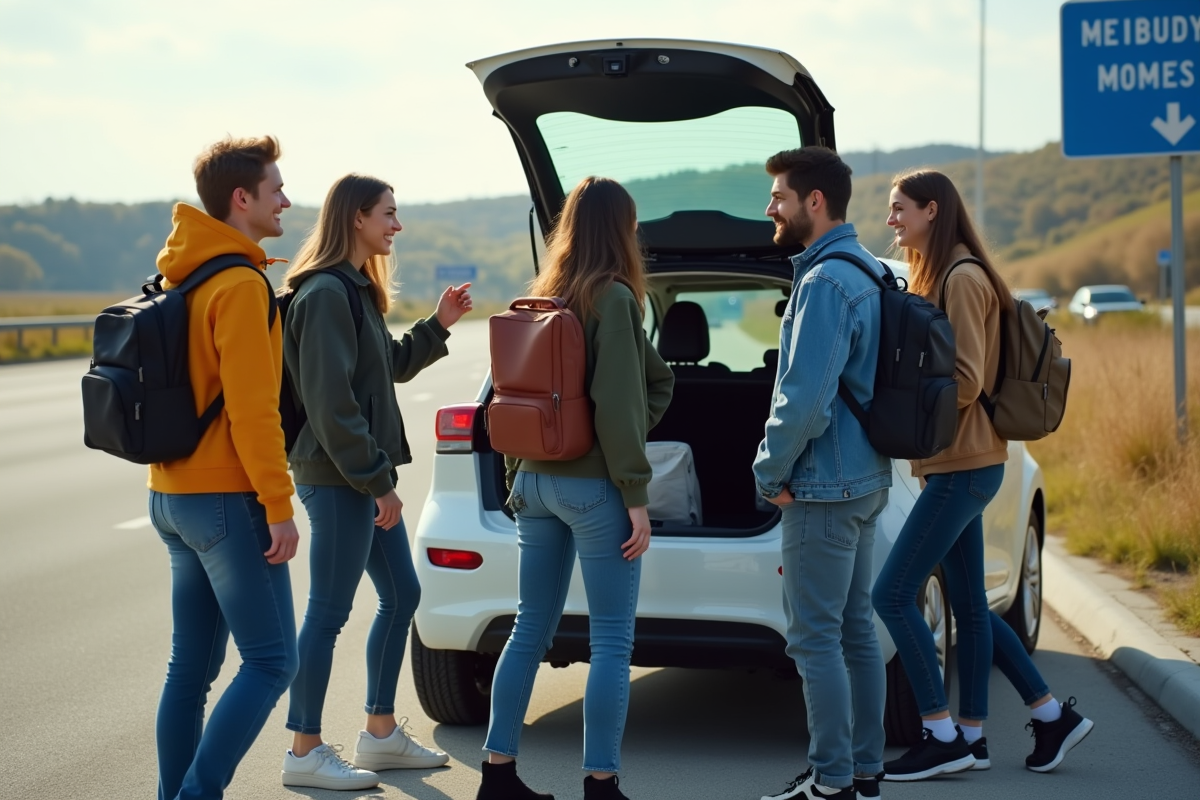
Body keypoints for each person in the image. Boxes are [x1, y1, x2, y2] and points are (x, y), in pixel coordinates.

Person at [872, 169, 1093, 781]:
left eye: (899, 209)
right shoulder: (945, 274)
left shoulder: (963, 279)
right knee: (972, 607)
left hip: (964, 466)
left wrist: (897, 405)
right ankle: (1041, 719)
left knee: (891, 595)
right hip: (961, 464)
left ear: (933, 211)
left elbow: (966, 380)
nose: (891, 220)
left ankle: (940, 733)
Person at [476, 177, 674, 800]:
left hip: (534, 483)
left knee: (529, 627)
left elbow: (515, 401)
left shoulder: (541, 300)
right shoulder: (612, 299)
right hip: (593, 491)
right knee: (612, 638)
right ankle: (600, 783)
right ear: (622, 230)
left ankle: (498, 775)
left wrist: (516, 481)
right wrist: (636, 496)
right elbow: (619, 406)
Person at [278, 174, 473, 790]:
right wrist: (375, 481)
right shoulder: (326, 293)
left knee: (402, 596)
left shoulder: (355, 291)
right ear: (355, 218)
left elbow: (385, 366)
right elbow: (331, 404)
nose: (397, 225)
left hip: (359, 476)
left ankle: (380, 735)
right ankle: (303, 749)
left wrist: (438, 324)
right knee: (329, 612)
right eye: (388, 214)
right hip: (337, 476)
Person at [147, 135, 300, 800]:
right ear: (242, 200)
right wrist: (279, 505)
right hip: (225, 500)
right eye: (276, 190)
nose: (287, 201)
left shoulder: (183, 274)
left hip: (171, 494)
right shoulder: (239, 285)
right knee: (272, 661)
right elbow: (252, 412)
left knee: (192, 668)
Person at [752, 146, 892, 800]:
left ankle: (831, 780)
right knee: (856, 630)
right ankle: (863, 771)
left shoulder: (823, 282)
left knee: (813, 639)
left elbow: (805, 397)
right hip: (864, 481)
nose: (769, 208)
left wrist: (765, 471)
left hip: (823, 487)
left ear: (814, 201)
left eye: (778, 196)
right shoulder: (869, 270)